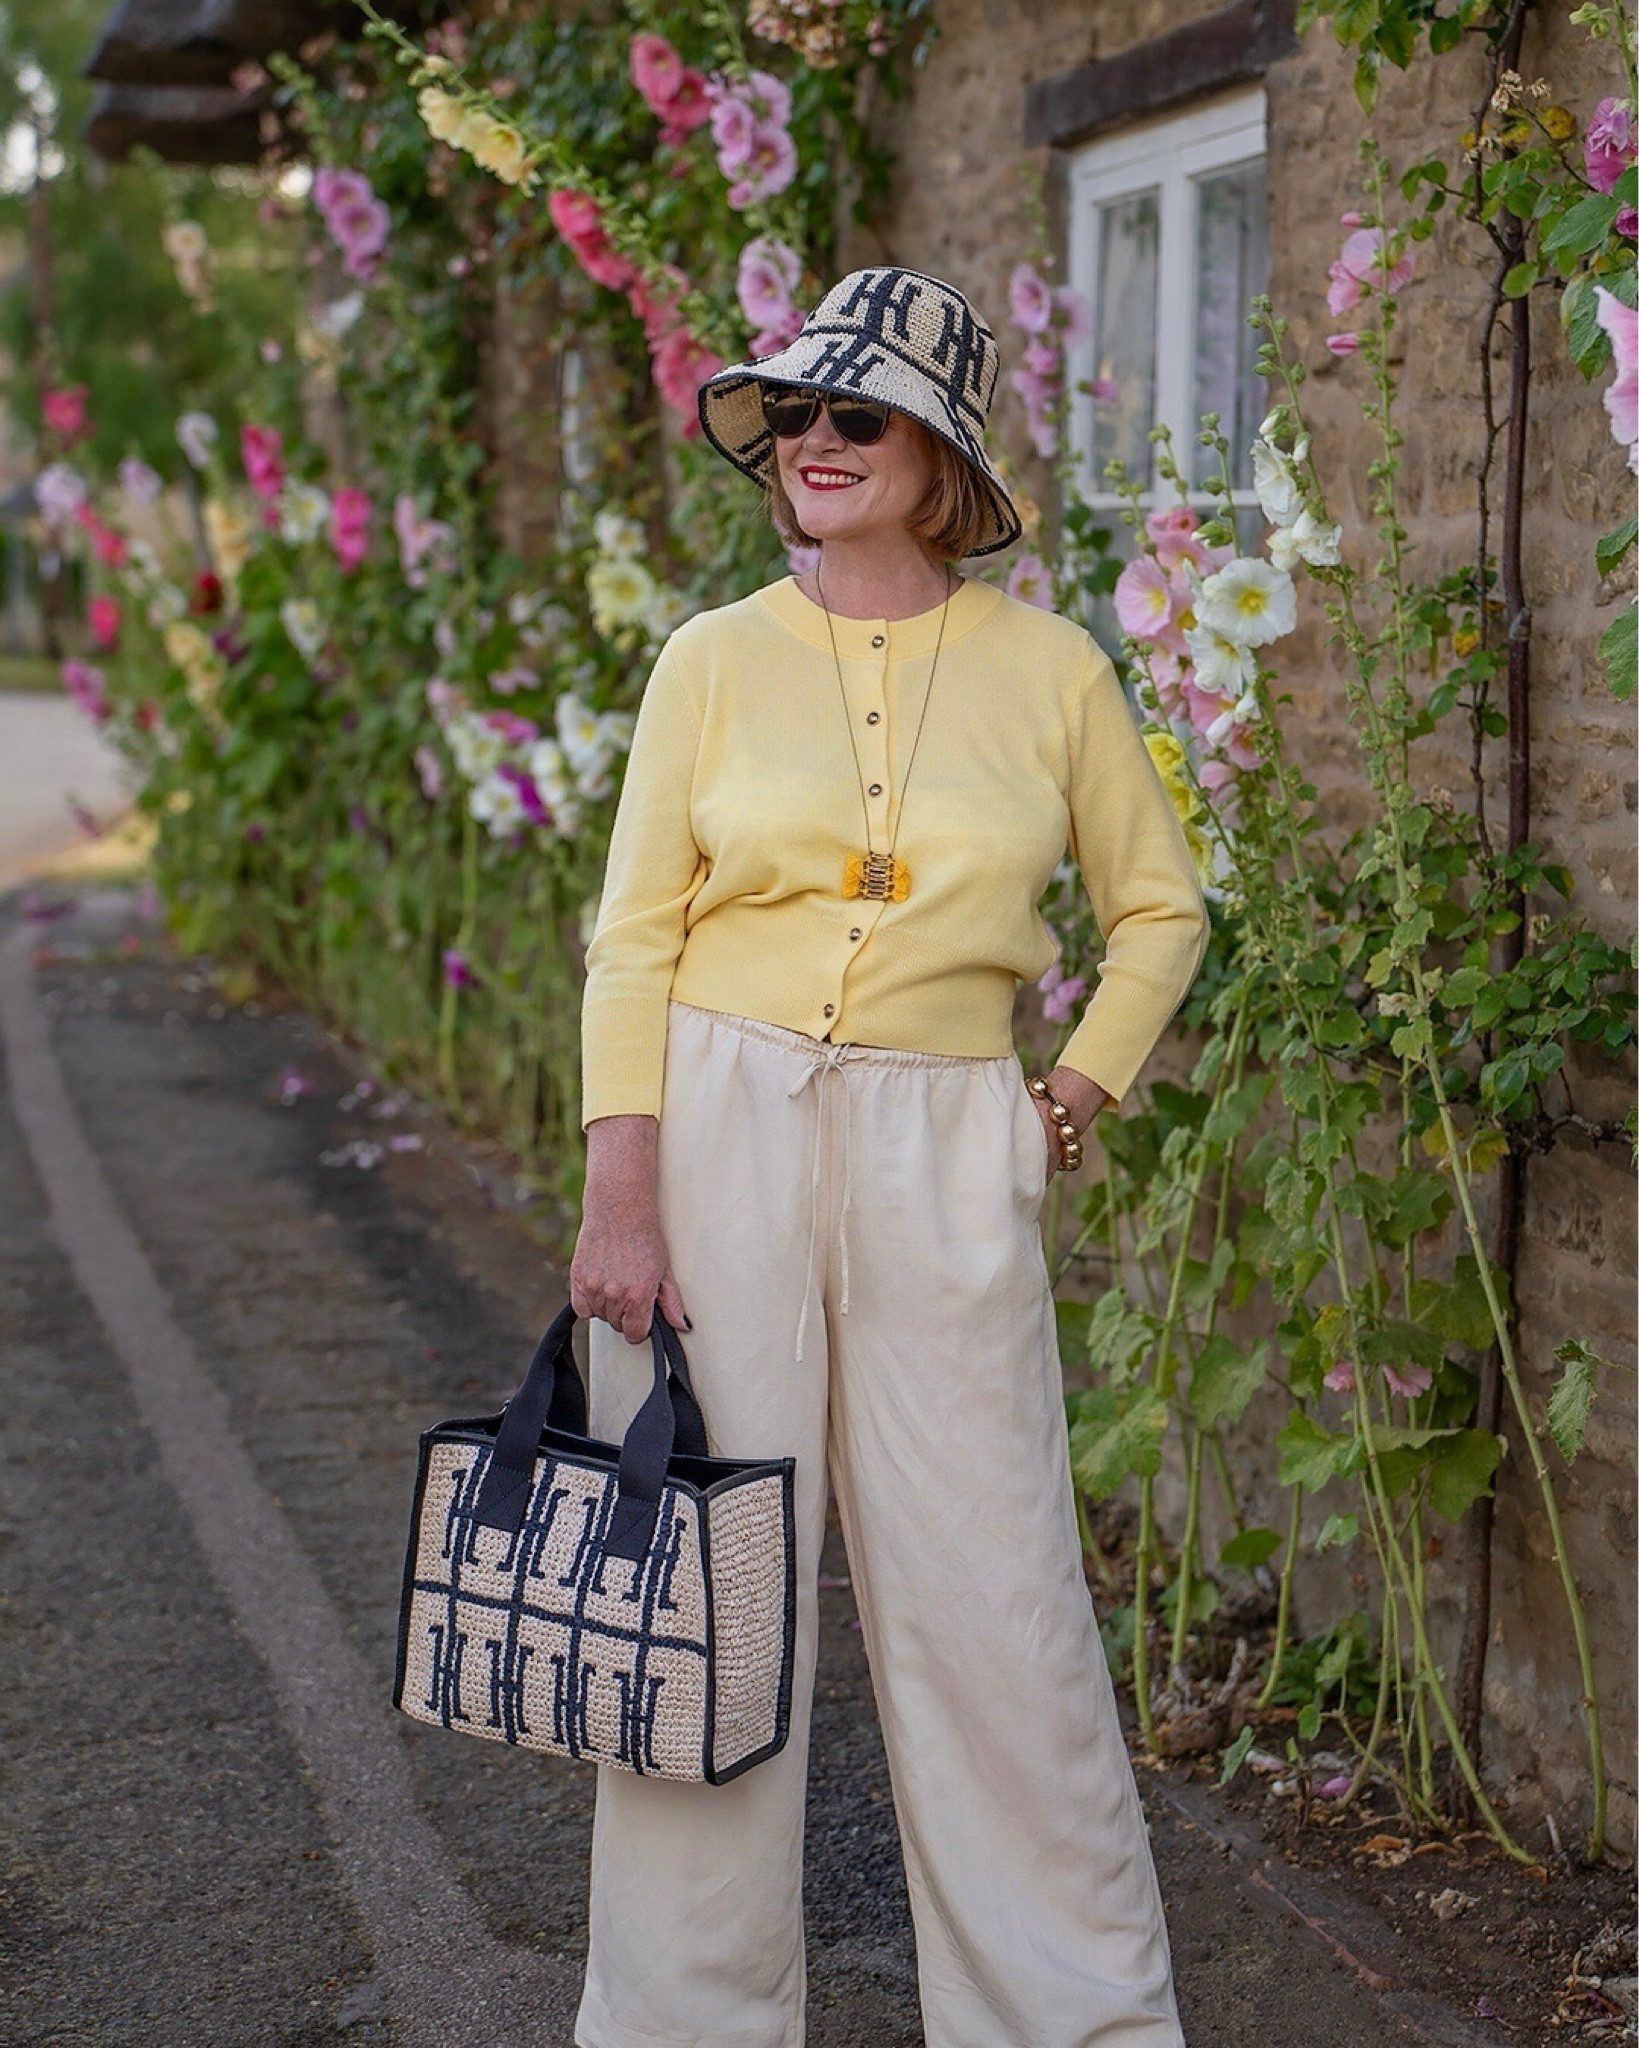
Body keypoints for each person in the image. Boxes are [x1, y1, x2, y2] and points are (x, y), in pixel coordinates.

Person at [569, 265, 1206, 2048]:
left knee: (995, 1599)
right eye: (796, 413)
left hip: (948, 1139)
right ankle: (682, 2021)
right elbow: (634, 940)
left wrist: (1070, 1094)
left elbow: (1160, 910)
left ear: (938, 460)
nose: (816, 441)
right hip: (717, 1137)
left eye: (859, 415)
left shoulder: (1050, 673)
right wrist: (622, 1187)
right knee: (708, 1591)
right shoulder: (707, 662)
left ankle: (1068, 2020)